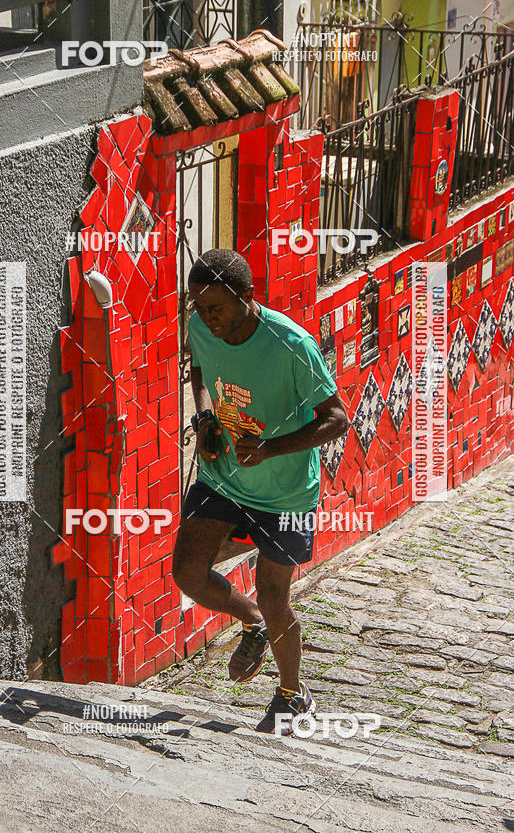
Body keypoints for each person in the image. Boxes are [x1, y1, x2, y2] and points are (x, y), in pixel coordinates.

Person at [172, 249, 349, 735]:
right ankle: (251, 620)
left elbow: (337, 419)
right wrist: (204, 416)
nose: (206, 318)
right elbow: (200, 369)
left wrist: (271, 449)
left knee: (275, 597)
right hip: (224, 476)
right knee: (188, 571)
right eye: (198, 307)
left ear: (247, 297)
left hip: (285, 493)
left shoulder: (291, 345)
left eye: (216, 308)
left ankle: (293, 695)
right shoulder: (201, 326)